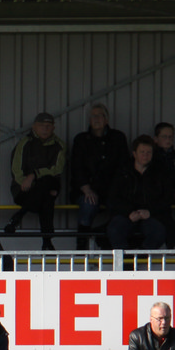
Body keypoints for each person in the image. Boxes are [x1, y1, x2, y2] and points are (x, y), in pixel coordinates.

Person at [68, 104, 129, 246]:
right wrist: (86, 188)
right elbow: (76, 167)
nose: (96, 118)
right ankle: (82, 244)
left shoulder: (118, 138)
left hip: (113, 189)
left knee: (121, 209)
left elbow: (124, 166)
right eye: (93, 116)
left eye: (100, 115)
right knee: (88, 204)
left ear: (106, 119)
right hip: (88, 189)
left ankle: (110, 242)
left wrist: (116, 190)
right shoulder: (81, 140)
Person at [5, 112, 66, 250]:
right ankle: (47, 241)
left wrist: (34, 175)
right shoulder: (24, 143)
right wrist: (27, 182)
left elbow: (57, 169)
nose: (45, 128)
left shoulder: (59, 145)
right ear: (34, 127)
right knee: (46, 197)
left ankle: (19, 216)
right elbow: (16, 170)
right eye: (41, 125)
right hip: (25, 190)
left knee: (47, 183)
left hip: (47, 185)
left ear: (53, 127)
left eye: (48, 125)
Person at [105, 134, 175, 251]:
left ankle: (141, 258)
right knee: (114, 230)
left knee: (159, 232)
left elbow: (168, 198)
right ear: (134, 154)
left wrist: (149, 211)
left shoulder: (160, 172)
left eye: (149, 152)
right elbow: (112, 198)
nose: (145, 155)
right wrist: (129, 212)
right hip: (126, 215)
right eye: (142, 152)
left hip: (152, 215)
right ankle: (125, 261)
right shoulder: (122, 171)